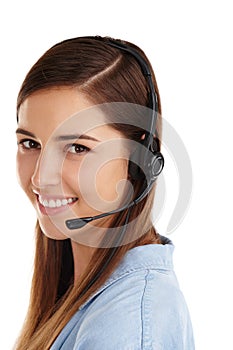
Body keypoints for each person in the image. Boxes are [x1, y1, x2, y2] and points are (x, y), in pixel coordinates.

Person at [14, 36, 195, 349]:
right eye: (30, 144)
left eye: (77, 147)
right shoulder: (83, 292)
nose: (41, 178)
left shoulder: (130, 322)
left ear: (138, 157)